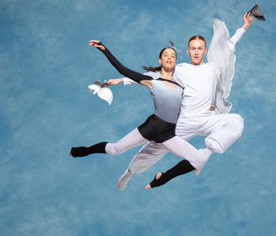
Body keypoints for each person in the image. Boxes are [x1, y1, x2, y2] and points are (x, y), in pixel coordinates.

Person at [108, 12, 253, 190]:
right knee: (152, 151)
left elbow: (229, 45)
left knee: (236, 121)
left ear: (206, 51)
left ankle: (205, 154)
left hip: (207, 119)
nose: (197, 52)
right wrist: (122, 80)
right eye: (193, 48)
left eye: (200, 48)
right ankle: (130, 171)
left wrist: (244, 26)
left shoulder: (212, 68)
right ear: (188, 51)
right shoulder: (180, 70)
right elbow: (152, 77)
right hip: (183, 123)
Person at [70, 42, 208, 188]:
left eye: (172, 56)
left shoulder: (182, 87)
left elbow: (196, 102)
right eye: (165, 55)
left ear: (175, 62)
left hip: (168, 134)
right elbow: (122, 69)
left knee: (199, 160)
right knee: (114, 149)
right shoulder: (152, 81)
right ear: (160, 61)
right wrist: (104, 49)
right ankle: (84, 151)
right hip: (151, 126)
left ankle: (160, 178)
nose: (169, 57)